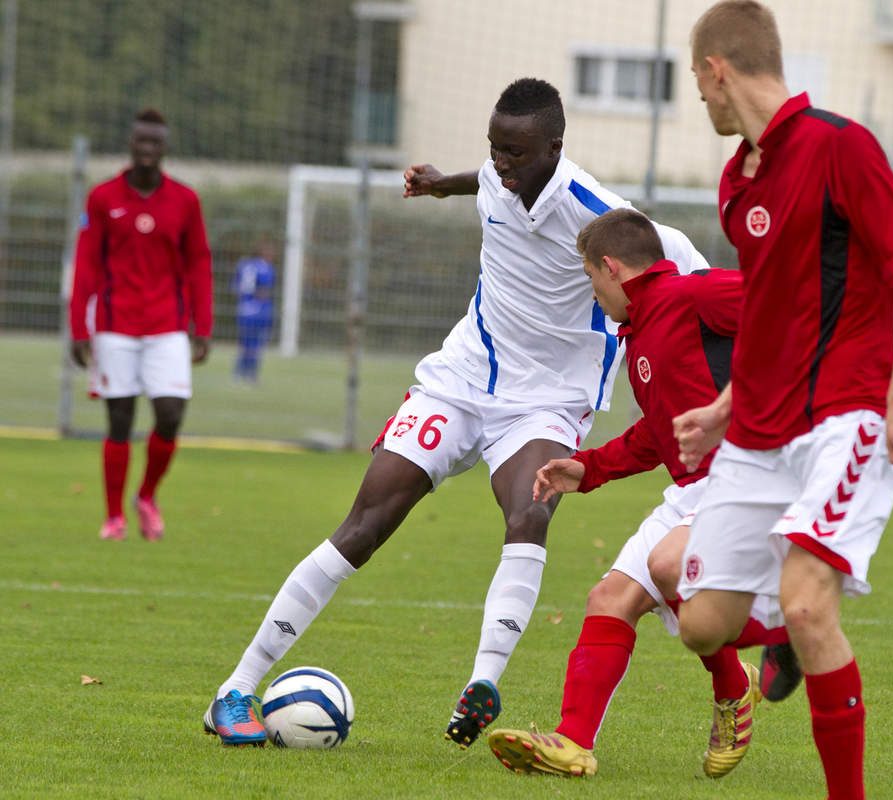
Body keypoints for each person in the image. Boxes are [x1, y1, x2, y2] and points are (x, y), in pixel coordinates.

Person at [202, 78, 709, 748]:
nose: (502, 164)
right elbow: (491, 180)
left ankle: (483, 681)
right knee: (366, 521)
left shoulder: (602, 214)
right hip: (461, 377)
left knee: (529, 511)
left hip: (545, 400)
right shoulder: (502, 174)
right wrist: (443, 184)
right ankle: (234, 692)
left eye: (517, 153)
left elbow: (695, 276)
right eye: (494, 148)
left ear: (555, 148)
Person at [673, 4, 893, 799]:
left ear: (718, 69)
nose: (700, 101)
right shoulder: (736, 181)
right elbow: (768, 303)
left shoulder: (838, 145)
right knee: (701, 624)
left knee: (807, 599)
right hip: (759, 432)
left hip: (848, 416)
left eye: (697, 83)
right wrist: (725, 407)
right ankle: (782, 636)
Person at [486, 209, 794, 779]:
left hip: (745, 477)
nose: (593, 294)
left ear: (611, 268)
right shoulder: (643, 329)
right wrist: (588, 468)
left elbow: (783, 300)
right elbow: (659, 431)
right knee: (610, 599)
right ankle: (573, 744)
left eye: (591, 279)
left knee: (669, 564)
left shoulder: (693, 294)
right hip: (692, 490)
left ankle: (790, 632)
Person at [68, 107, 213, 543]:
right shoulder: (103, 197)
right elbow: (87, 264)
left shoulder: (185, 201)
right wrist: (80, 327)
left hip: (167, 326)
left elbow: (198, 264)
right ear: (130, 144)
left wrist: (201, 325)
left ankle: (146, 496)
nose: (148, 149)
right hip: (115, 326)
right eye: (141, 141)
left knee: (169, 414)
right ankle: (114, 516)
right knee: (119, 419)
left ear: (164, 148)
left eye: (155, 142)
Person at [231, 239, 276, 384]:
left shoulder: (243, 264)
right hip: (259, 310)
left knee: (244, 343)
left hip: (244, 309)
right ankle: (251, 375)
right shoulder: (265, 267)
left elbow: (235, 287)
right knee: (256, 344)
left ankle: (238, 373)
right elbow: (264, 290)